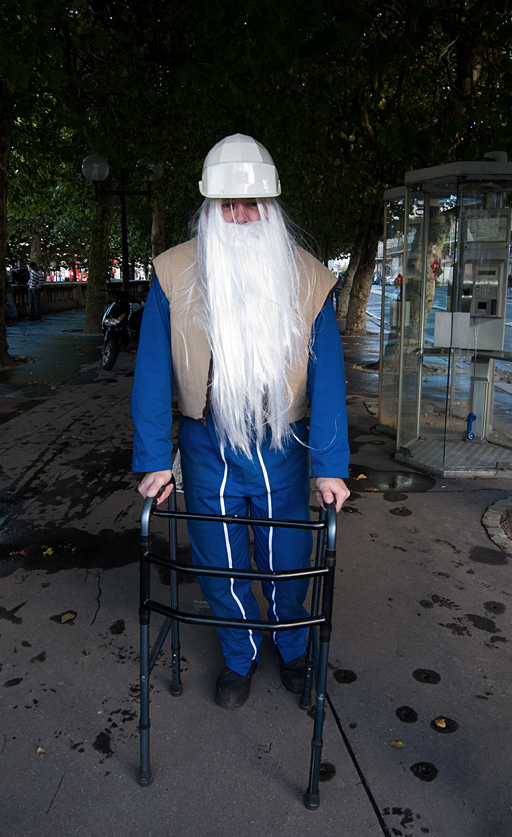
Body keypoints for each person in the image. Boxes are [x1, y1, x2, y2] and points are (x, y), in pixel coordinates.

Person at [131, 133, 350, 710]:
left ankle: (294, 648)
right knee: (218, 557)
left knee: (287, 559)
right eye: (228, 204)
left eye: (252, 204)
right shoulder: (173, 273)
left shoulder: (308, 278)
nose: (242, 215)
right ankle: (239, 655)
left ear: (272, 208)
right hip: (206, 442)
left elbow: (327, 381)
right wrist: (154, 458)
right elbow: (152, 372)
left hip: (283, 442)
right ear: (210, 208)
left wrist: (330, 468)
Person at [4, 260, 18, 324]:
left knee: (10, 303)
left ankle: (14, 316)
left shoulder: (5, 274)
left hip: (8, 290)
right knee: (8, 304)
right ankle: (14, 316)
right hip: (7, 290)